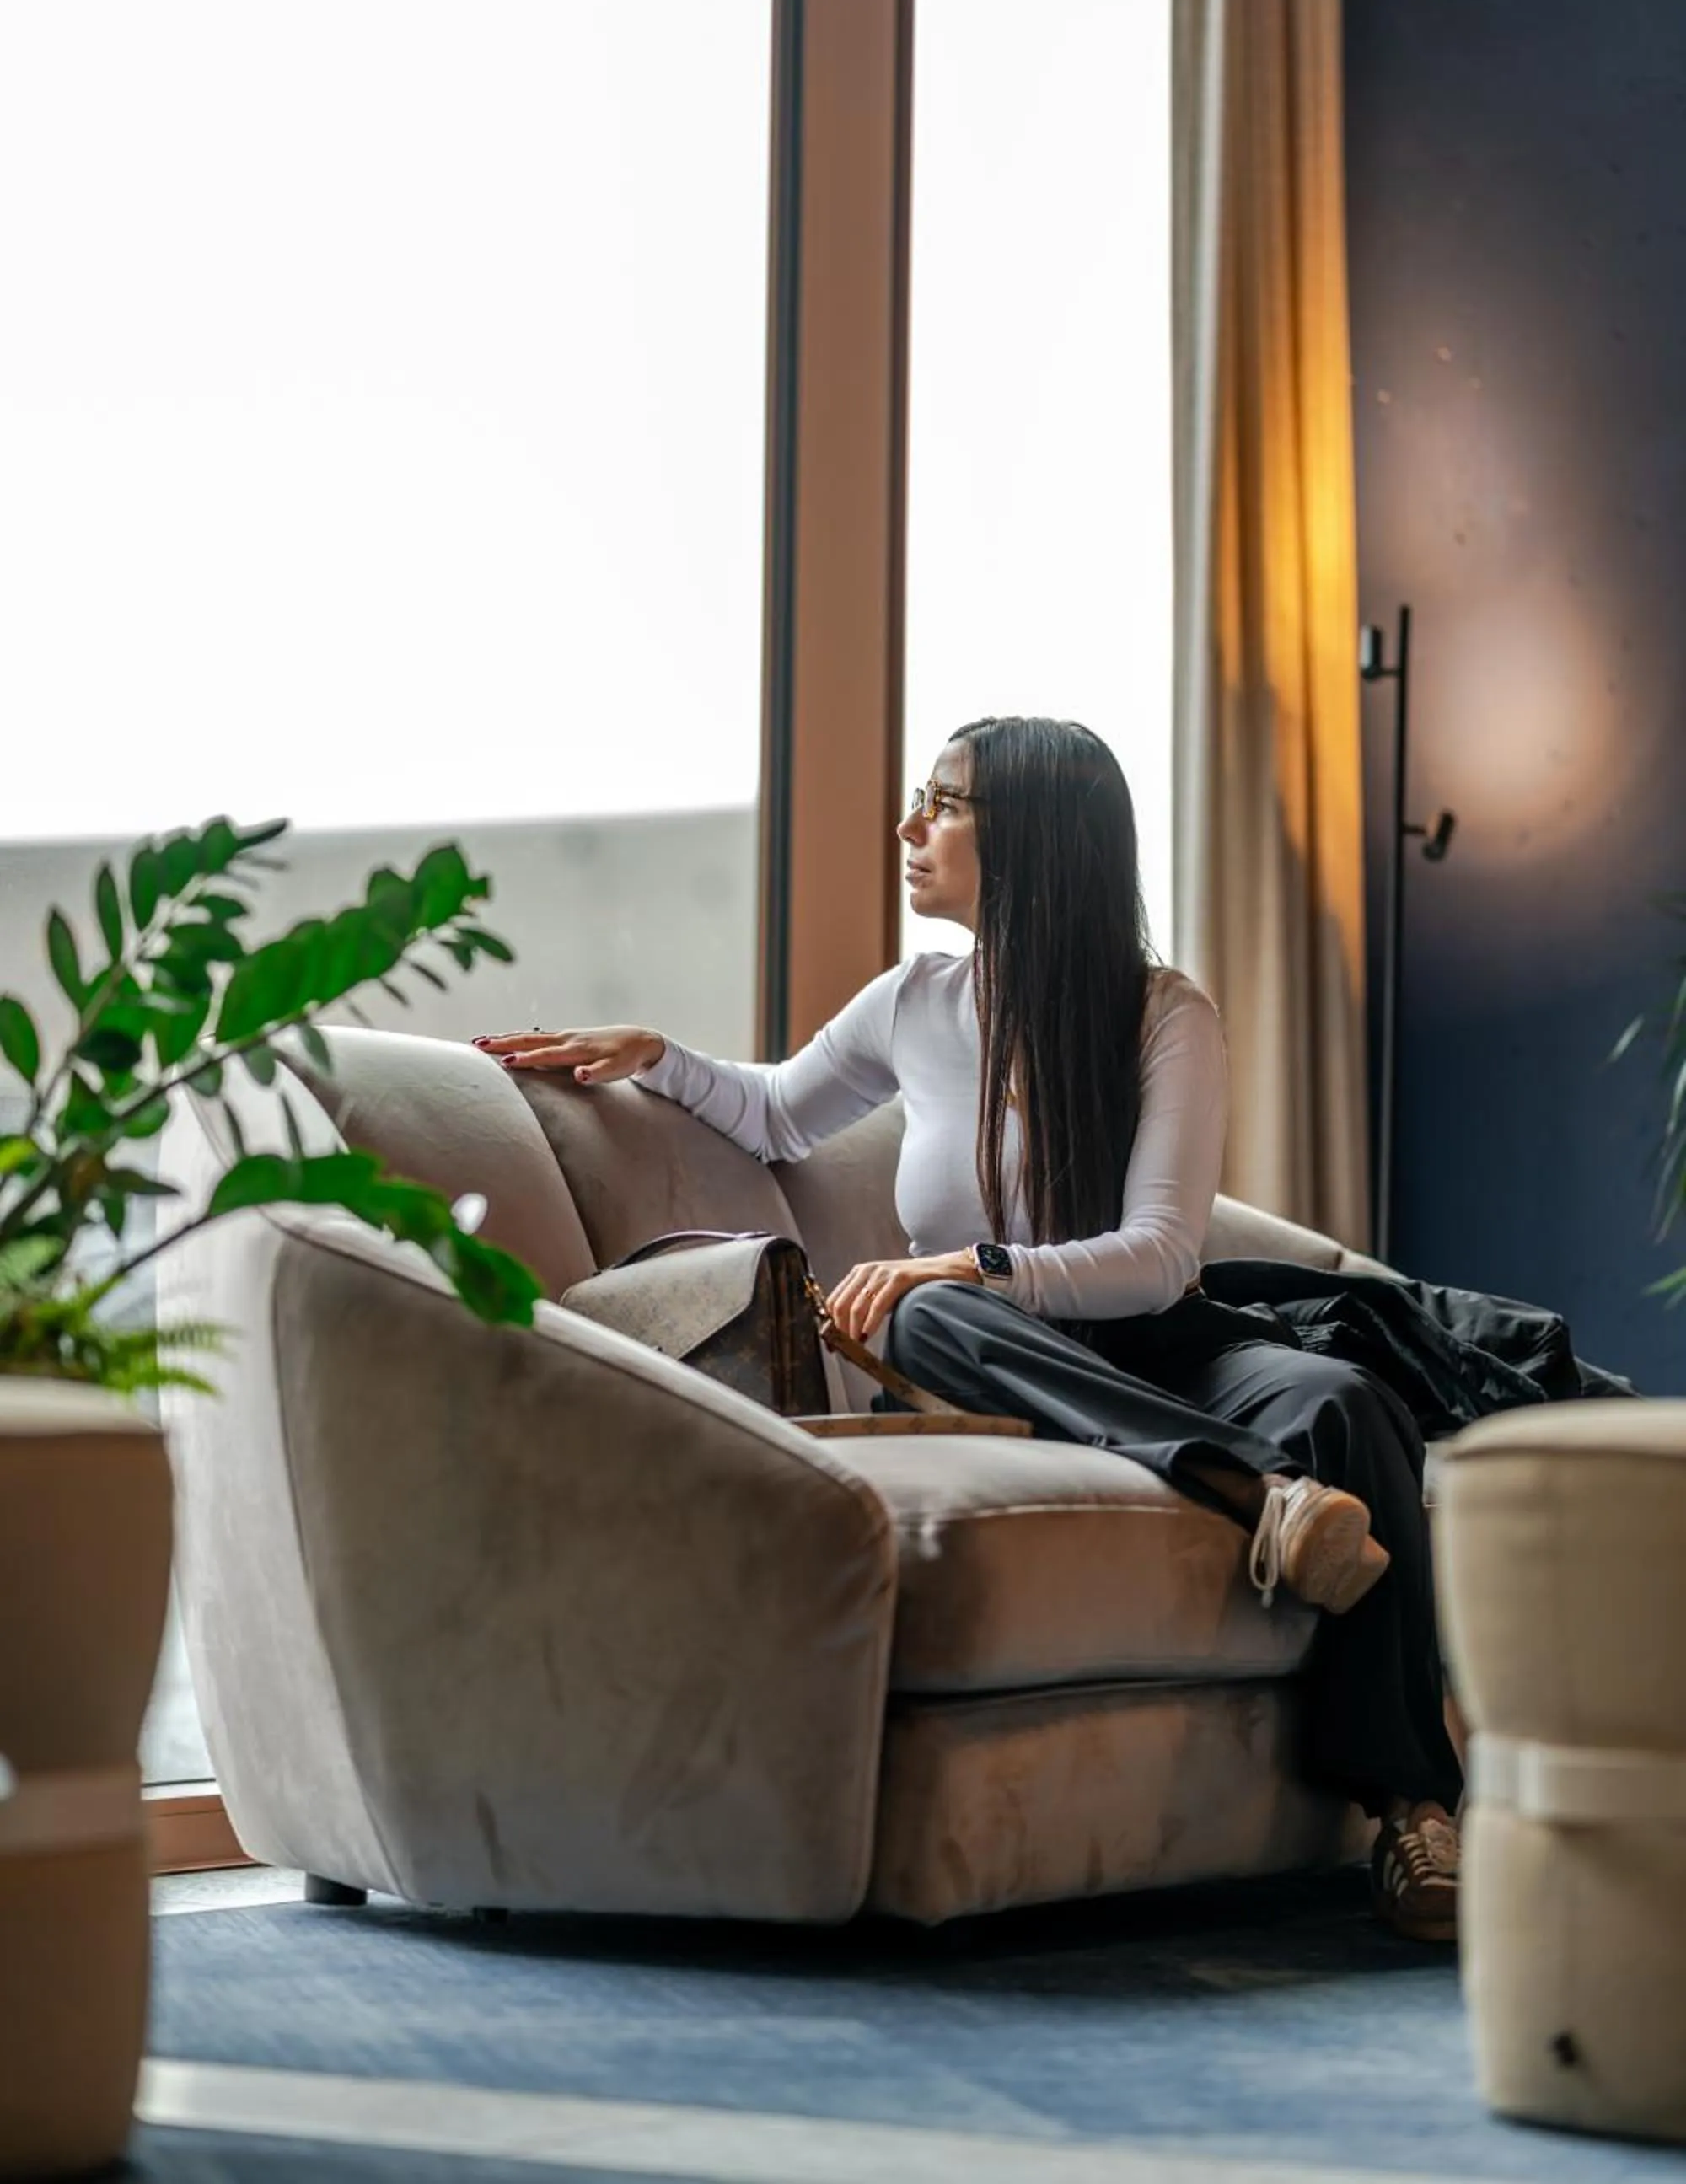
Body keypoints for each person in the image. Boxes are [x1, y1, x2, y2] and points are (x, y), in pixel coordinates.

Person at [476, 715, 1463, 1943]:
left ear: (1038, 841)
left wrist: (980, 1261)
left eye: (940, 805)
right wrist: (656, 1057)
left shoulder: (1165, 1015)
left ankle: (1416, 1812)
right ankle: (1252, 1490)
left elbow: (1159, 1256)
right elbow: (780, 1115)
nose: (909, 829)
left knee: (1342, 1402)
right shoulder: (917, 1001)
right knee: (927, 1309)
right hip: (984, 1352)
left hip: (1160, 1342)